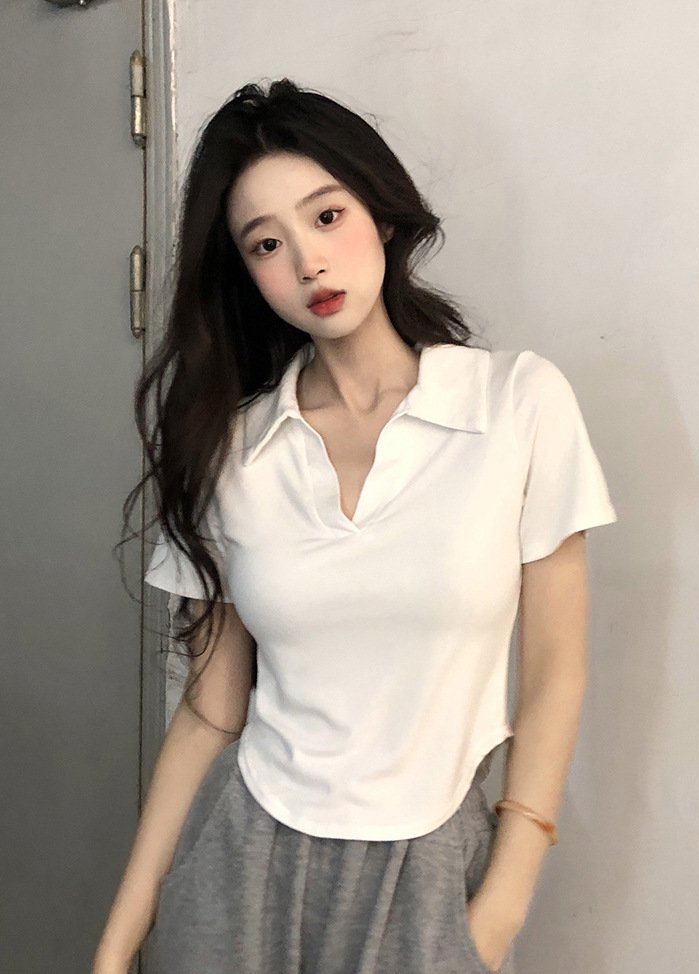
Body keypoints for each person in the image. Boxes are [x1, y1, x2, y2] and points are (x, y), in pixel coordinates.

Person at [92, 78, 618, 974]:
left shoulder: (517, 404)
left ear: (379, 213)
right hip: (244, 866)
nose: (308, 262)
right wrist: (116, 947)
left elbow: (555, 671)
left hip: (430, 872)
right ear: (246, 273)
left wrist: (498, 910)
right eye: (267, 243)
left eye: (327, 216)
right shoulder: (229, 449)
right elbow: (212, 711)